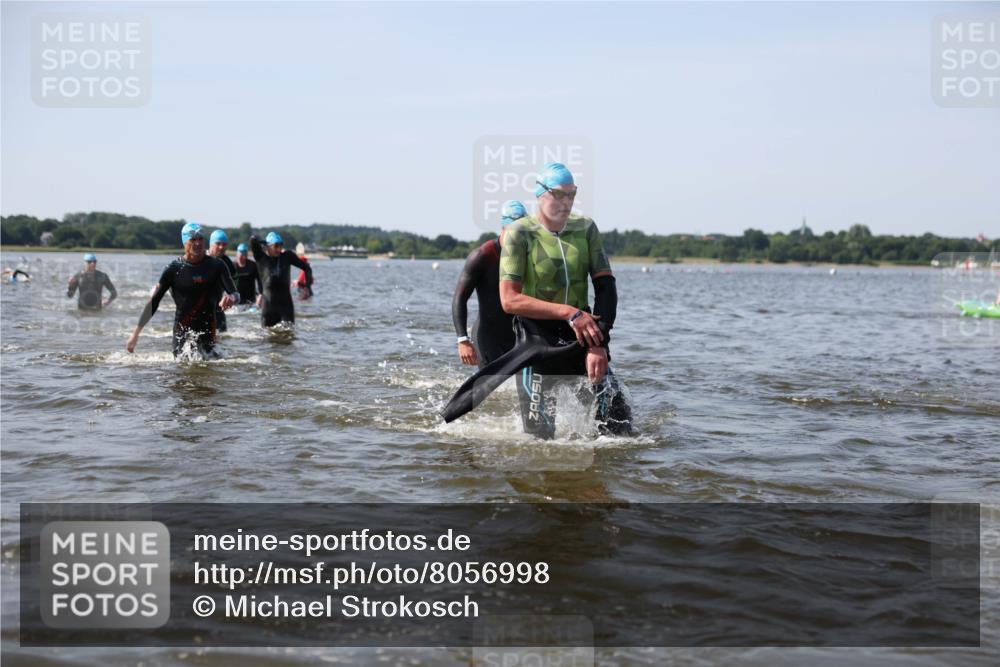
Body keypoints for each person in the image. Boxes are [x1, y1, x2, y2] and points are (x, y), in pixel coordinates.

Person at [496, 162, 631, 438]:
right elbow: (509, 300)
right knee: (541, 440)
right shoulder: (519, 233)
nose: (567, 202)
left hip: (582, 335)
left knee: (619, 429)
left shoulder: (586, 229)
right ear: (540, 193)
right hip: (536, 341)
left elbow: (606, 287)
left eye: (572, 194)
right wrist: (568, 312)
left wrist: (599, 344)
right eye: (559, 194)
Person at [126, 223, 238, 359]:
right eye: (193, 240)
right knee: (182, 374)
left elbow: (235, 293)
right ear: (185, 243)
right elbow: (154, 302)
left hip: (208, 331)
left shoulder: (217, 265)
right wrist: (136, 334)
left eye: (200, 239)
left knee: (210, 373)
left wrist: (232, 298)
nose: (197, 243)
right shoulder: (173, 269)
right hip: (182, 332)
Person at [451, 200, 525, 367]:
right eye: (513, 231)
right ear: (503, 228)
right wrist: (463, 340)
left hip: (520, 335)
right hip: (489, 336)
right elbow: (459, 298)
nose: (517, 237)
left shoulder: (530, 254)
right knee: (494, 391)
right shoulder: (483, 255)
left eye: (522, 232)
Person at [250, 231, 313, 327]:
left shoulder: (287, 257)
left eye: (281, 246)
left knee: (288, 336)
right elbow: (253, 240)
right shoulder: (261, 258)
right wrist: (264, 242)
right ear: (268, 246)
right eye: (276, 246)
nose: (279, 249)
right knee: (266, 339)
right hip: (268, 307)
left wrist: (307, 287)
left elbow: (307, 268)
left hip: (286, 308)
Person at [207, 230, 236, 332]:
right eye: (218, 244)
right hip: (199, 309)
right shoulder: (200, 259)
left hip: (218, 308)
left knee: (223, 339)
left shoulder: (228, 264)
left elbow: (232, 287)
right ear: (210, 244)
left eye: (224, 244)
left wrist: (228, 295)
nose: (221, 247)